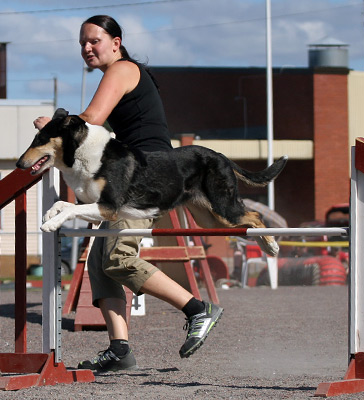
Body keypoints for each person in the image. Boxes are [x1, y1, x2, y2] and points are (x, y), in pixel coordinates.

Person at [33, 15, 223, 372]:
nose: (87, 48)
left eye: (94, 40)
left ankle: (198, 309)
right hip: (134, 174)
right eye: (82, 43)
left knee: (118, 259)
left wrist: (53, 127)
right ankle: (119, 349)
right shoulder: (121, 72)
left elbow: (91, 118)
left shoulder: (121, 69)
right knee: (99, 265)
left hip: (147, 177)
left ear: (116, 43)